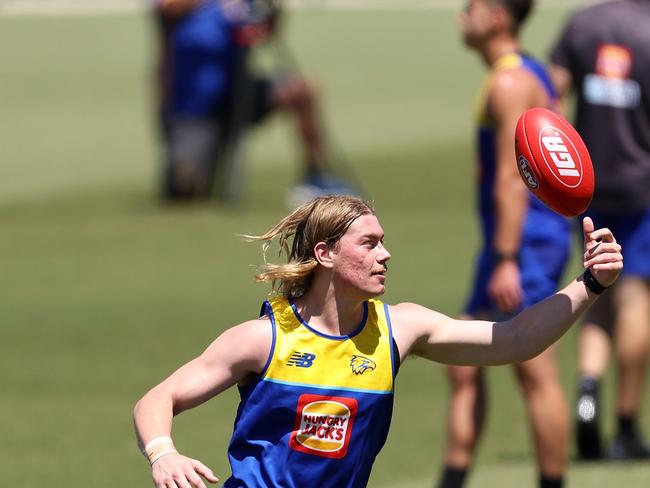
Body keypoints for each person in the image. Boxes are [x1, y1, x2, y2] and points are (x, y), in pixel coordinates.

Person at [133, 195, 622, 488]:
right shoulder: (263, 339)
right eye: (368, 243)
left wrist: (589, 283)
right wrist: (164, 453)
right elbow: (159, 398)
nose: (385, 254)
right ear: (324, 254)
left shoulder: (399, 329)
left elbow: (513, 340)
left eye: (382, 241)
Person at [436, 2, 571, 487]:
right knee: (462, 364)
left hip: (524, 243)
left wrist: (508, 260)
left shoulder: (510, 82)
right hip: (512, 241)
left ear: (495, 16)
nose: (460, 17)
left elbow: (513, 178)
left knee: (533, 368)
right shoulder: (525, 70)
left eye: (469, 7)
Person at [548, 0, 650, 461]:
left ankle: (588, 394)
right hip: (642, 184)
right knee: (633, 297)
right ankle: (626, 425)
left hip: (588, 187)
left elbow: (550, 97)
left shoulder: (582, 24)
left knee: (597, 286)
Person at [153, 0, 352, 202]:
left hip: (238, 93)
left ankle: (316, 175)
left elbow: (267, 31)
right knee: (184, 188)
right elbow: (167, 8)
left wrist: (268, 10)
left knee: (302, 90)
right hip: (193, 109)